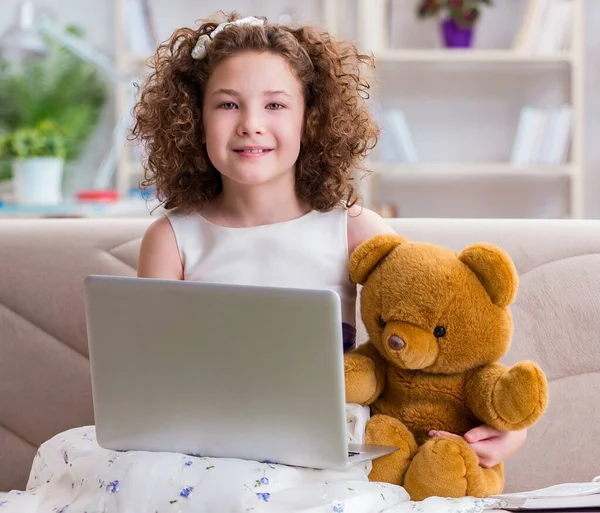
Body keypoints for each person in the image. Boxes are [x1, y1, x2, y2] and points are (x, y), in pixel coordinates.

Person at [131, 11, 526, 470]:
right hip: (202, 454)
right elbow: (147, 379)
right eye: (227, 104)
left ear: (311, 120)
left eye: (275, 105)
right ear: (194, 119)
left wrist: (507, 423)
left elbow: (450, 326)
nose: (250, 124)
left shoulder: (354, 229)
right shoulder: (170, 239)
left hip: (328, 454)